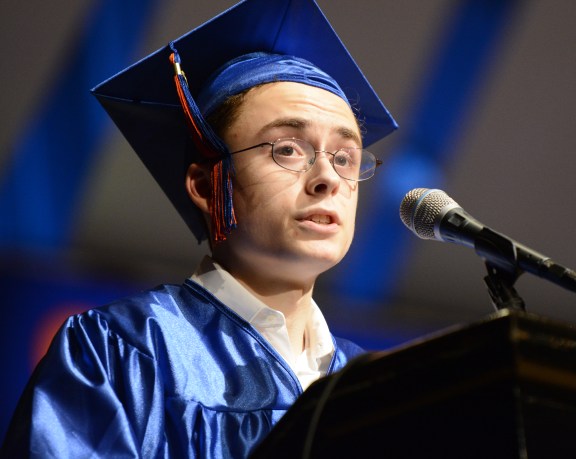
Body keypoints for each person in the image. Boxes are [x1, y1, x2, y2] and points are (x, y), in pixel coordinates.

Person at [1, 0, 397, 457]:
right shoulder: (125, 352)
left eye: (345, 157)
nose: (327, 178)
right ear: (207, 185)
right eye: (288, 149)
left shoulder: (377, 385)